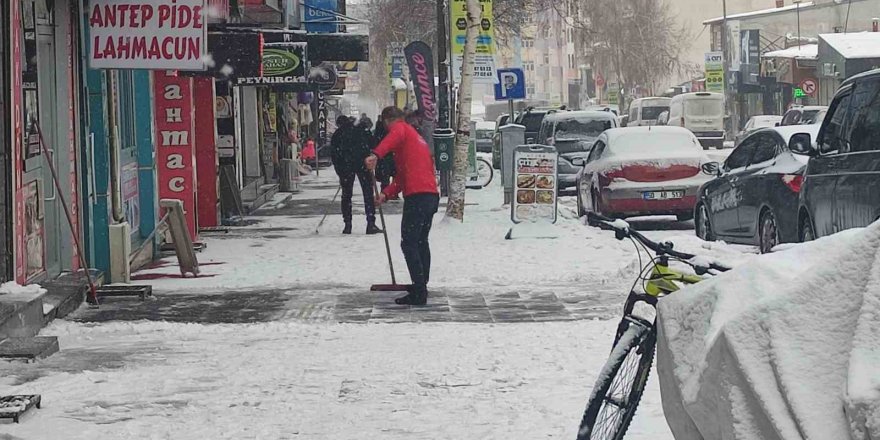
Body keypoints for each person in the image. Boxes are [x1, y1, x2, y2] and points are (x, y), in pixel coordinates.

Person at [365, 106, 439, 306]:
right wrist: (385, 194)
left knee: (409, 243)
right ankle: (421, 285)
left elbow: (391, 138)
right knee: (420, 241)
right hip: (430, 195)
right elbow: (403, 177)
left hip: (418, 196)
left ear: (387, 120)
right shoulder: (415, 138)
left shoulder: (401, 128)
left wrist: (376, 154)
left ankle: (419, 291)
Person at [330, 115, 383, 235]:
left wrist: (340, 172)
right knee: (368, 194)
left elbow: (334, 154)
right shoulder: (362, 130)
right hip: (363, 164)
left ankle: (347, 224)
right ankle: (370, 223)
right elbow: (373, 145)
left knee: (346, 195)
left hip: (346, 166)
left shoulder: (338, 133)